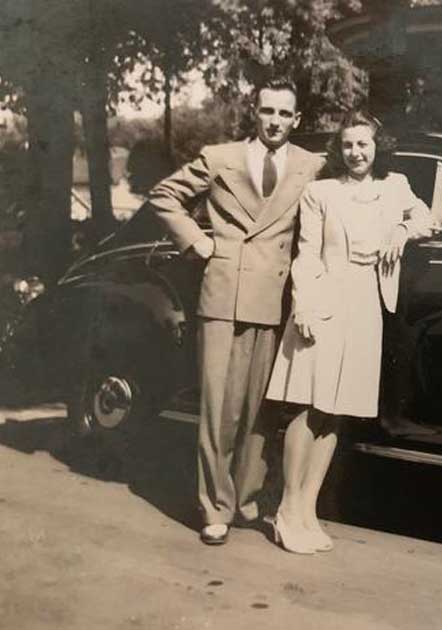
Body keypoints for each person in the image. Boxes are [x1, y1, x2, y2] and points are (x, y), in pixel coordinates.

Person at [149, 77, 324, 546]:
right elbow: (164, 196)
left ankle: (244, 498)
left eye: (285, 114)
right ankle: (214, 507)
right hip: (223, 295)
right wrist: (199, 241)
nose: (275, 121)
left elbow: (357, 181)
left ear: (297, 120)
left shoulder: (311, 165)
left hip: (273, 297)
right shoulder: (219, 156)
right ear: (255, 111)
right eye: (268, 111)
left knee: (257, 410)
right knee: (217, 407)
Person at [264, 112, 433, 554]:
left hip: (366, 307)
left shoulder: (394, 187)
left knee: (336, 412)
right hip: (324, 301)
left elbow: (427, 217)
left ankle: (308, 511)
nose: (356, 153)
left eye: (364, 144)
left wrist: (401, 228)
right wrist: (304, 304)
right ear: (338, 150)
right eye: (349, 145)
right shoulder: (320, 192)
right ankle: (286, 510)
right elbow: (307, 255)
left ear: (378, 146)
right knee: (310, 407)